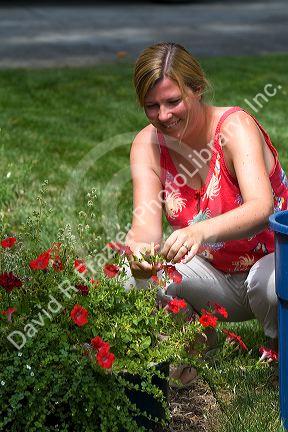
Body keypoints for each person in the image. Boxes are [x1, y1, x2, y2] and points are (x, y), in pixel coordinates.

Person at [124, 42, 288, 386]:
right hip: (216, 275)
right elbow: (145, 231)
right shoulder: (148, 145)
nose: (163, 115)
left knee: (269, 284)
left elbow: (261, 208)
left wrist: (199, 232)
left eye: (173, 101)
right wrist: (139, 253)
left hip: (274, 261)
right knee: (133, 274)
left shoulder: (235, 127)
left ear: (197, 89)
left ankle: (280, 352)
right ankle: (196, 347)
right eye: (152, 106)